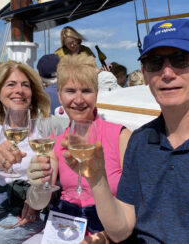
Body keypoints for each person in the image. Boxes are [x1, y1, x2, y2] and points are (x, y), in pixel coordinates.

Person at [63, 18, 189, 243]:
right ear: (145, 74)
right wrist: (97, 177)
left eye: (180, 59)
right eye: (155, 63)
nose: (167, 73)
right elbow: (121, 230)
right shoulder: (140, 141)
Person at [27, 54, 131, 242]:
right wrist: (36, 185)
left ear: (97, 93)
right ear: (59, 95)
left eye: (86, 90)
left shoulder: (121, 137)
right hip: (64, 225)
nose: (78, 99)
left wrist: (106, 237)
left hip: (108, 228)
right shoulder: (56, 141)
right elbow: (39, 201)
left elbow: (135, 205)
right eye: (70, 91)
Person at [0, 60, 51, 243]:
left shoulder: (46, 126)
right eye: (11, 84)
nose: (19, 90)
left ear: (33, 92)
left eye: (25, 85)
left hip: (27, 212)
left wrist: (37, 195)